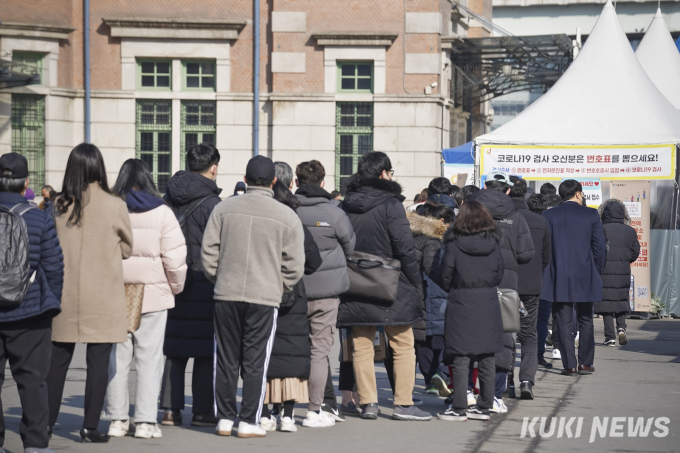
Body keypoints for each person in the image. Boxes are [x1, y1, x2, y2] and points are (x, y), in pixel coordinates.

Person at [202, 155, 305, 438]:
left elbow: (208, 254)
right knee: (256, 360)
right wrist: (279, 285)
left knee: (224, 358)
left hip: (226, 292)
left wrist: (218, 277)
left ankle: (224, 418)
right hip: (264, 296)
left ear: (245, 180)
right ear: (273, 182)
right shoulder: (286, 215)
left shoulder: (224, 209)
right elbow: (295, 265)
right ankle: (248, 419)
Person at [47, 143, 133, 443]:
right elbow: (127, 247)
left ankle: (45, 422)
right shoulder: (115, 204)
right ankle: (89, 426)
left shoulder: (58, 205)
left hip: (63, 294)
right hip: (103, 295)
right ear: (99, 167)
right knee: (98, 363)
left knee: (56, 362)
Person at [338, 151, 431, 421]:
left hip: (356, 279)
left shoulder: (347, 203)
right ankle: (403, 404)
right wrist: (415, 281)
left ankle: (368, 403)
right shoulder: (391, 204)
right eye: (390, 172)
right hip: (391, 280)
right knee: (403, 343)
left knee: (361, 343)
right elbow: (404, 246)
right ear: (383, 173)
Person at [104, 159, 188, 439]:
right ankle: (144, 421)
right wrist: (174, 288)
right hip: (152, 294)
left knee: (117, 357)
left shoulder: (111, 208)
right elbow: (174, 258)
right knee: (150, 359)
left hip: (118, 293)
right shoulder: (163, 212)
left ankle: (117, 419)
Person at [0, 153, 63, 453]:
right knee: (34, 380)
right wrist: (52, 301)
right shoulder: (37, 216)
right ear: (26, 183)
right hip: (29, 311)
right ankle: (36, 445)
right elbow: (54, 265)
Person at [160, 144, 222, 427]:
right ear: (213, 168)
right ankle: (201, 411)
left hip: (172, 281)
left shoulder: (167, 199)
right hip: (205, 283)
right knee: (204, 350)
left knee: (175, 347)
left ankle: (171, 410)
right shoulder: (213, 206)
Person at [294, 160, 356, 427]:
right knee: (319, 352)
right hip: (327, 293)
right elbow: (350, 246)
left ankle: (276, 408)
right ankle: (314, 409)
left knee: (287, 349)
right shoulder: (335, 213)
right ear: (323, 183)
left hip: (292, 290)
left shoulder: (287, 210)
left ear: (296, 182)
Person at [259, 181, 323, 433]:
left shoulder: (262, 220)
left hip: (262, 290)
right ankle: (287, 415)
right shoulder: (294, 222)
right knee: (292, 352)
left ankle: (264, 412)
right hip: (293, 294)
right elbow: (314, 260)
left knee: (262, 352)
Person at [433, 201, 505, 422]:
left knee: (461, 356)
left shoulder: (454, 246)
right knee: (486, 356)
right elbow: (499, 274)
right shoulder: (494, 245)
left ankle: (459, 407)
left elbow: (444, 277)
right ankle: (484, 407)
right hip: (488, 303)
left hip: (461, 302)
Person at [469, 171, 534, 412]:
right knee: (504, 338)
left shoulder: (470, 213)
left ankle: (466, 390)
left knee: (468, 336)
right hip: (506, 284)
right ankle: (495, 394)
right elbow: (527, 254)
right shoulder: (515, 217)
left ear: (484, 188)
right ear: (508, 190)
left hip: (472, 283)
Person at [542, 180, 606, 376]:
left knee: (562, 319)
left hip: (558, 272)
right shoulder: (591, 214)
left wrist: (548, 270)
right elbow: (599, 247)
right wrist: (596, 270)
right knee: (586, 318)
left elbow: (546, 247)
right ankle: (585, 363)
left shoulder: (549, 214)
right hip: (585, 272)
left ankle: (568, 364)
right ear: (578, 194)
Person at [508, 180, 551, 400]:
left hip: (505, 284)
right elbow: (546, 257)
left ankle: (506, 379)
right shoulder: (540, 221)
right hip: (531, 285)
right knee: (529, 334)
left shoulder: (502, 219)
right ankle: (526, 379)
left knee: (506, 332)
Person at [407, 203, 453, 396]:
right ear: (441, 221)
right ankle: (439, 376)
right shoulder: (434, 240)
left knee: (423, 339)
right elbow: (432, 269)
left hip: (415, 293)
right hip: (434, 293)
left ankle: (429, 380)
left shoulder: (412, 235)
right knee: (440, 338)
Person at [595, 199, 640, 346]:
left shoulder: (600, 229)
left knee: (606, 303)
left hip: (604, 270)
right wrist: (625, 260)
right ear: (622, 213)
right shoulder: (630, 231)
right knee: (621, 299)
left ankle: (610, 337)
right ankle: (621, 327)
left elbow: (596, 250)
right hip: (623, 270)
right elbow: (635, 252)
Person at [528, 194, 556, 369]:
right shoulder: (547, 224)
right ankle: (538, 354)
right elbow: (548, 254)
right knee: (542, 319)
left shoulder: (519, 220)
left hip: (521, 277)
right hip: (544, 277)